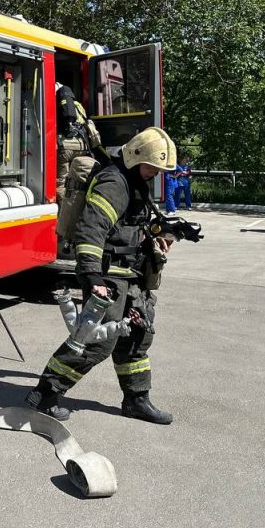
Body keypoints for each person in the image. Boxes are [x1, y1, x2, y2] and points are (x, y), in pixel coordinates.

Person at [25, 126, 178, 425]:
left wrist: (160, 237)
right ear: (135, 157)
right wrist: (92, 276)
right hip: (109, 277)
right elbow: (90, 229)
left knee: (136, 335)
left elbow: (133, 225)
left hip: (131, 276)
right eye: (153, 167)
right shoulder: (114, 183)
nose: (156, 173)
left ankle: (136, 399)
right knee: (95, 341)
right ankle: (44, 394)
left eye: (160, 170)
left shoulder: (136, 182)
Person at [55, 82, 104, 201]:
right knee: (79, 181)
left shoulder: (57, 104)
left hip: (66, 148)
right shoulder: (78, 105)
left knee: (61, 183)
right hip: (82, 146)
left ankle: (63, 212)